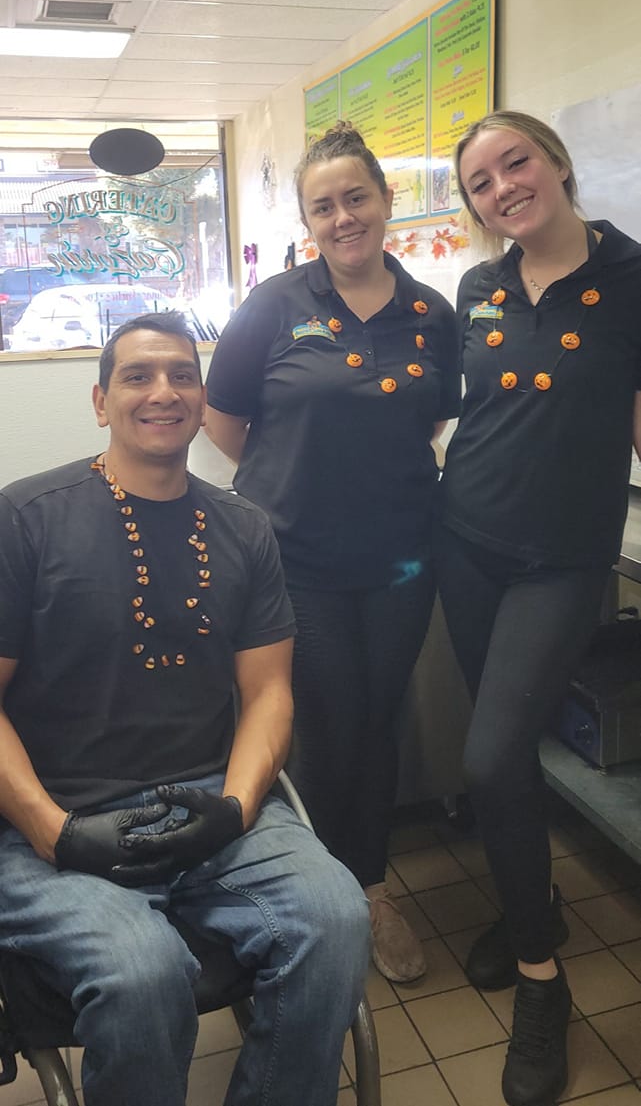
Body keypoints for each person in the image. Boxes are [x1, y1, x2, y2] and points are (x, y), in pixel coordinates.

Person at [0, 310, 370, 1106]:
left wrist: (235, 807)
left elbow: (268, 692)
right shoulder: (26, 517)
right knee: (143, 971)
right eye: (137, 375)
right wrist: (53, 829)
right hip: (55, 817)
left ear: (203, 400)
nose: (162, 391)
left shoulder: (243, 526)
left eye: (181, 375)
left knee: (337, 917)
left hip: (206, 801)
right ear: (100, 401)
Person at [205, 121, 460, 983]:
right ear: (308, 221)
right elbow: (223, 417)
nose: (343, 216)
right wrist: (289, 478)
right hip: (295, 560)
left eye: (356, 198)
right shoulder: (274, 304)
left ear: (386, 201)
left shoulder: (430, 313)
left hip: (400, 558)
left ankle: (370, 889)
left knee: (377, 719)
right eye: (324, 206)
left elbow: (428, 419)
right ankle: (316, 903)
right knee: (320, 723)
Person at [437, 111, 641, 1106]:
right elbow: (473, 409)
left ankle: (539, 980)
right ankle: (535, 907)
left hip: (559, 560)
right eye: (479, 181)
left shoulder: (630, 278)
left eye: (513, 162)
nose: (501, 187)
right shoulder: (478, 286)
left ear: (555, 162)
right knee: (504, 757)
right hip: (464, 542)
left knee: (486, 756)